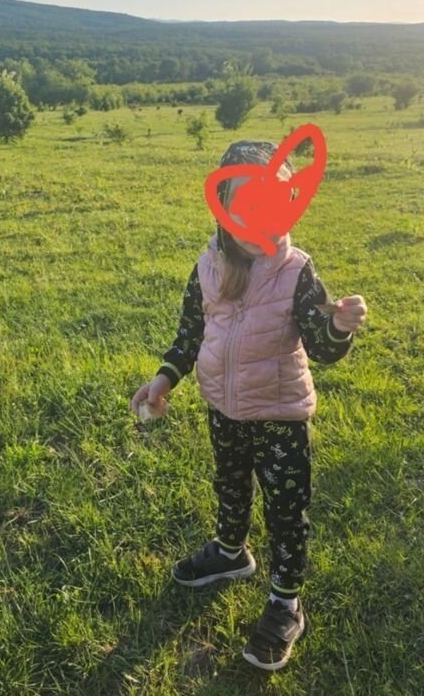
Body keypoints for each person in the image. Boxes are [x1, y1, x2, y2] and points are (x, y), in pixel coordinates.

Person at [130, 139, 368, 672]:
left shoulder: (296, 272)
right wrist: (163, 380)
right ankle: (230, 552)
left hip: (280, 416)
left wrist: (338, 325)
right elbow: (189, 336)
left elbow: (322, 348)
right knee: (231, 485)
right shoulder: (208, 268)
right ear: (222, 207)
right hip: (224, 410)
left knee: (286, 511)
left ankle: (285, 601)